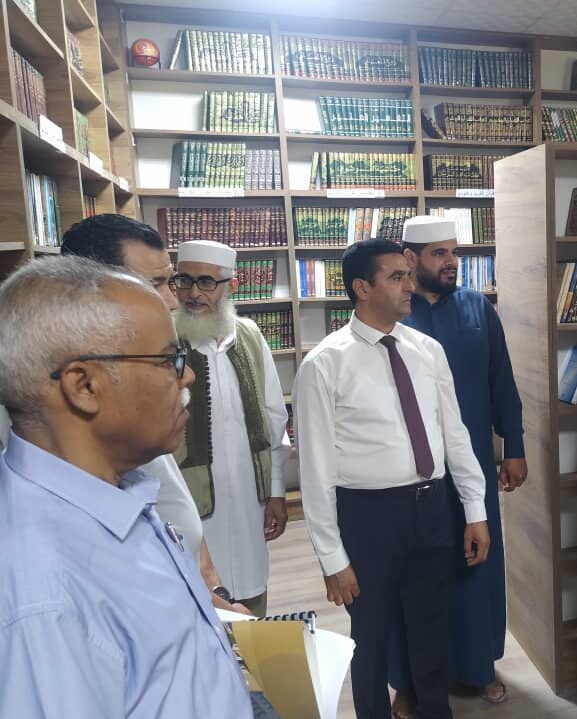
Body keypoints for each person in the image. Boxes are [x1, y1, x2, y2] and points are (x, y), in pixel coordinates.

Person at [0, 257, 252, 717]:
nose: (187, 375)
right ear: (84, 386)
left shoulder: (113, 488)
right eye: (169, 360)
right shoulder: (43, 599)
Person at [294, 239, 490, 719]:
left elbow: (455, 434)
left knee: (431, 626)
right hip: (368, 516)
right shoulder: (324, 363)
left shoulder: (427, 351)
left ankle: (435, 711)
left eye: (408, 274)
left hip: (432, 507)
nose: (409, 285)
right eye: (397, 277)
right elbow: (315, 470)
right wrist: (332, 558)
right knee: (371, 636)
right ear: (362, 288)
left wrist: (475, 510)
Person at [386, 216, 526, 714]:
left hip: (475, 466)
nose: (452, 263)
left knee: (476, 564)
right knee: (413, 574)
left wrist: (514, 445)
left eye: (454, 252)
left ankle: (477, 666)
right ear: (410, 258)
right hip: (410, 470)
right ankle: (408, 680)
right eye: (439, 254)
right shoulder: (394, 313)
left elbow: (501, 378)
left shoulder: (477, 308)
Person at [173, 239, 291, 618]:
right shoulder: (164, 342)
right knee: (199, 599)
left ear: (231, 286)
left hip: (248, 497)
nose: (193, 293)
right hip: (190, 503)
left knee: (252, 591)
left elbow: (274, 418)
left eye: (206, 282)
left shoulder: (250, 336)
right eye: (184, 280)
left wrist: (276, 493)